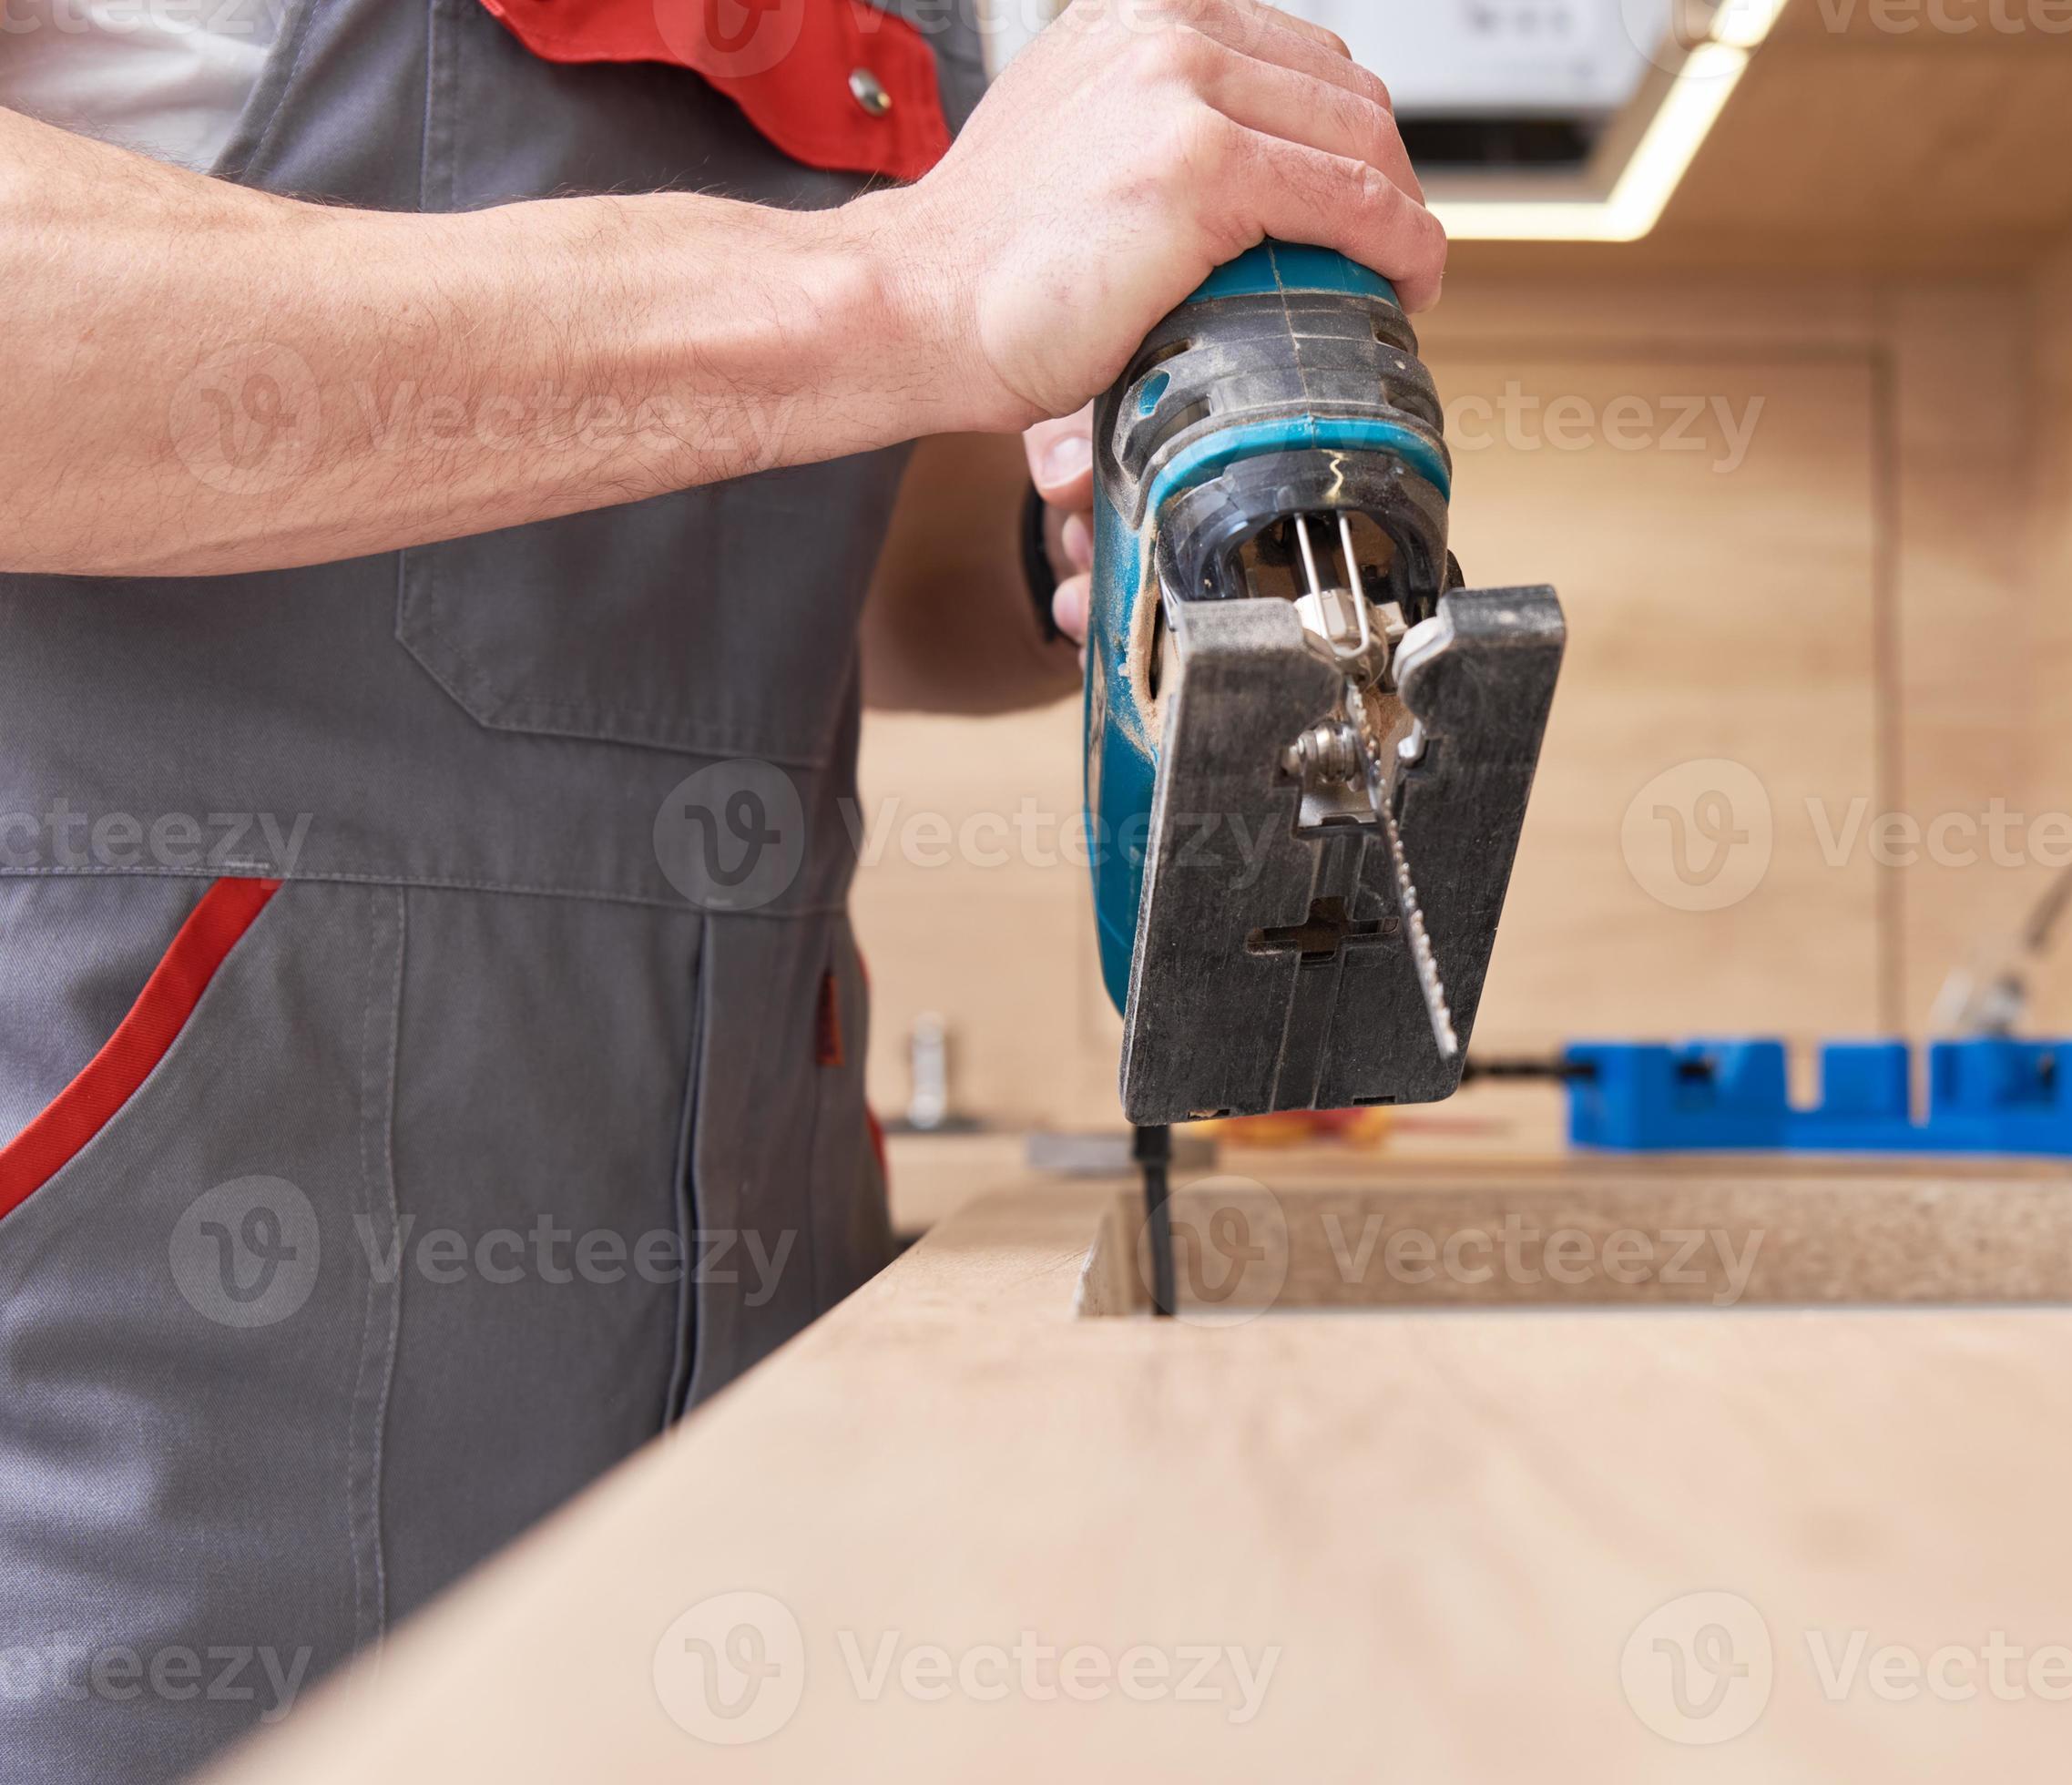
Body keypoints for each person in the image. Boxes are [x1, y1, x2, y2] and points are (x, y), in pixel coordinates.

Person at [0, 0, 1444, 1775]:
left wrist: (1074, 534)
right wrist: (895, 288)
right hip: (144, 1352)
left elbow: (804, 574)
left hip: (762, 1321)